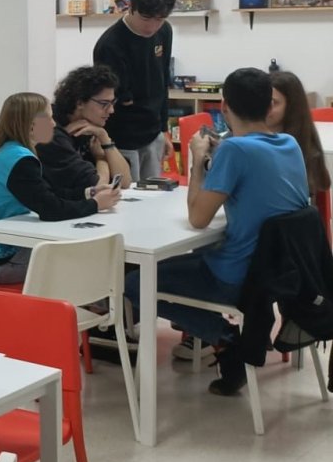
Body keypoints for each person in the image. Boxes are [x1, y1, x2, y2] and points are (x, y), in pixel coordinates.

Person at [125, 68, 309, 396]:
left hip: (238, 276)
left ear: (223, 107)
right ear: (269, 105)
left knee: (135, 281)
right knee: (194, 257)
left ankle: (224, 338)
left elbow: (197, 218)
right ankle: (228, 339)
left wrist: (196, 162)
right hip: (281, 273)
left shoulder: (234, 151)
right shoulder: (289, 144)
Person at [0, 93, 121, 284]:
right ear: (31, 125)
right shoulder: (20, 160)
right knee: (84, 260)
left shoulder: (7, 150)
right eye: (48, 118)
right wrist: (95, 204)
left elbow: (46, 193)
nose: (53, 124)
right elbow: (50, 209)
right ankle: (94, 307)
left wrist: (88, 193)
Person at [93, 0, 177, 182]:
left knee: (154, 197)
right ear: (131, 7)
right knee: (126, 197)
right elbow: (117, 100)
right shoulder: (110, 44)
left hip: (153, 133)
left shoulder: (165, 31)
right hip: (122, 136)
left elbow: (162, 81)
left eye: (159, 19)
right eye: (145, 18)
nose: (152, 27)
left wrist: (163, 129)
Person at [38, 65, 133, 195]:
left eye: (113, 103)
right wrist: (101, 157)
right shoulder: (51, 131)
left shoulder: (93, 125)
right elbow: (96, 189)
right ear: (80, 103)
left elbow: (124, 182)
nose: (111, 110)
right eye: (104, 104)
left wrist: (105, 139)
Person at [267, 71, 331, 195]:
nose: (265, 107)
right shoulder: (252, 138)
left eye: (273, 103)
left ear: (291, 106)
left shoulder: (304, 149)